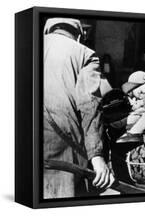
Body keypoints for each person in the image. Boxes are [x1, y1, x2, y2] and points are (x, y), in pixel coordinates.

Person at [43, 18, 114, 198]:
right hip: (62, 142)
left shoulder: (23, 45)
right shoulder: (84, 53)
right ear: (80, 36)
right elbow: (89, 107)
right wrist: (96, 156)